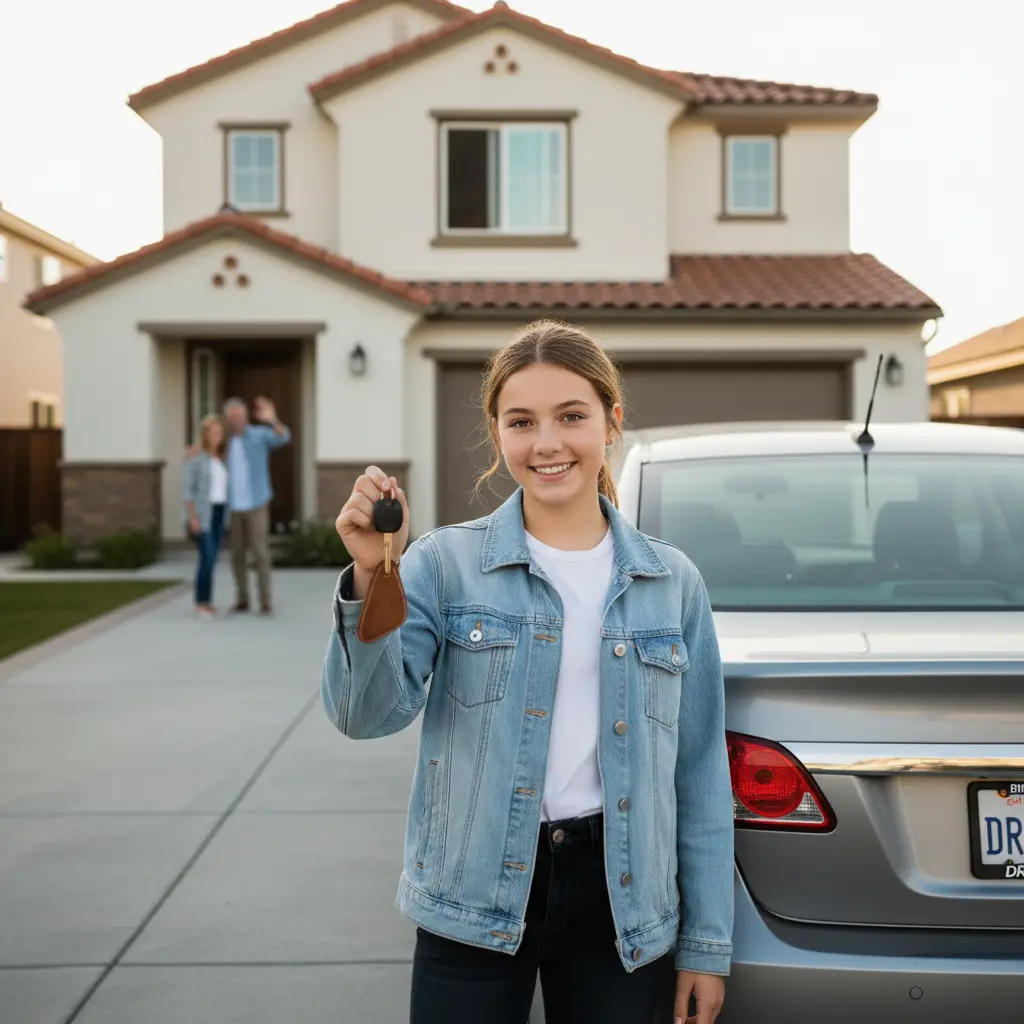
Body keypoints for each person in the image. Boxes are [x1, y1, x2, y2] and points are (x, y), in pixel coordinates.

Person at [323, 320, 734, 1024]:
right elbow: (366, 714)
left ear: (611, 423)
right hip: (471, 895)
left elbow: (698, 774)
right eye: (522, 421)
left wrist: (705, 945)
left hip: (623, 904)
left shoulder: (673, 582)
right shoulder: (442, 566)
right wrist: (370, 572)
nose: (547, 442)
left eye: (571, 416)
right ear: (498, 433)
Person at [222, 395, 291, 615]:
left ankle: (265, 600)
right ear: (228, 419)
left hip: (257, 503)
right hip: (233, 507)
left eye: (240, 416)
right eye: (233, 417)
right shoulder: (225, 442)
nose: (237, 420)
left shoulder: (259, 435)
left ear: (246, 417)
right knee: (237, 555)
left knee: (261, 553)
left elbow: (284, 437)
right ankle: (242, 599)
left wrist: (272, 420)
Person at [183, 413, 230, 619]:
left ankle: (207, 602)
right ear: (205, 434)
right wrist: (193, 518)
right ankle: (200, 603)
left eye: (219, 432)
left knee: (212, 559)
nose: (216, 435)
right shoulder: (196, 458)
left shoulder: (221, 458)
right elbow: (187, 492)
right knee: (207, 558)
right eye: (212, 432)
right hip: (204, 513)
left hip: (220, 511)